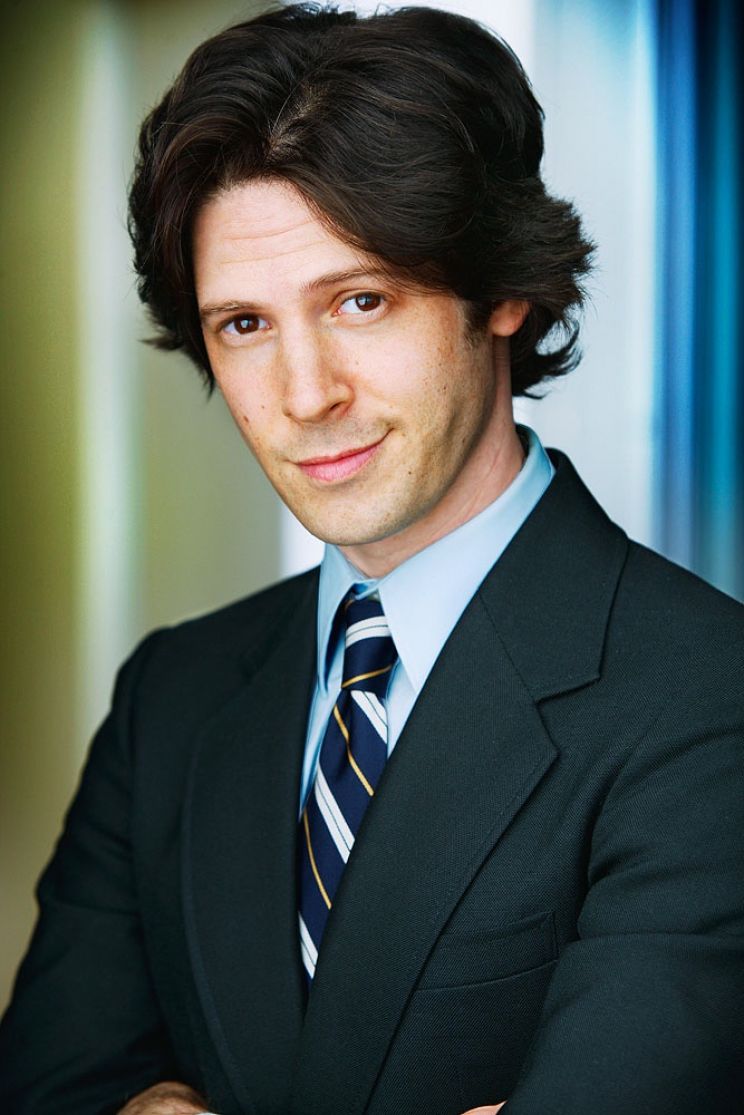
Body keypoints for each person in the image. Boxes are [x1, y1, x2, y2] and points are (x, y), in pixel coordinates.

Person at [1, 4, 743, 1114]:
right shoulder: (171, 696)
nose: (305, 395)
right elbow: (50, 1082)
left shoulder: (708, 691)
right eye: (244, 325)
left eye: (361, 299)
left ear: (504, 288)